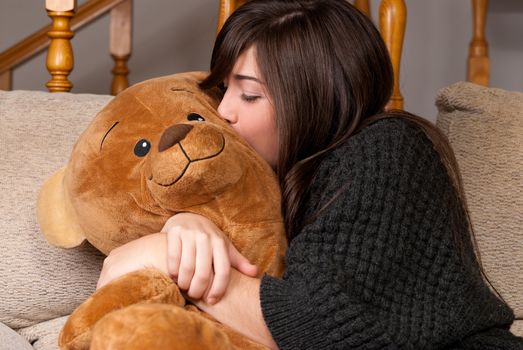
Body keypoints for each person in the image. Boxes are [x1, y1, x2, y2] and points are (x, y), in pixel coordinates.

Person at [97, 0, 523, 349]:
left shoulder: (387, 148)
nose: (223, 112)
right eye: (222, 89)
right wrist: (185, 224)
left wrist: (168, 258)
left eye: (248, 94)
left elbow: (322, 331)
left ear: (315, 99)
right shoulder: (268, 172)